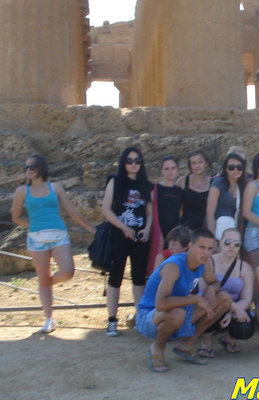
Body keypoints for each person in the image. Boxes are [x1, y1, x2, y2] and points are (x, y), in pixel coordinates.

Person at [11, 154, 95, 333]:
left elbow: (72, 212)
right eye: (26, 167)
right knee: (43, 278)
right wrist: (33, 224)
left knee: (67, 271)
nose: (28, 170)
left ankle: (47, 282)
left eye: (31, 167)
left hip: (58, 234)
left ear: (40, 168)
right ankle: (49, 318)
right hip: (36, 238)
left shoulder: (55, 187)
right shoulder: (22, 191)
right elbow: (16, 217)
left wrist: (93, 229)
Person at [135, 228, 232, 372]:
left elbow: (214, 282)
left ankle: (186, 345)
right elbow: (161, 304)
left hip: (178, 311)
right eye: (201, 247)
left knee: (224, 298)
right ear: (190, 246)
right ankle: (157, 348)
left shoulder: (204, 263)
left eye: (210, 249)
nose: (206, 253)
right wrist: (195, 299)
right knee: (177, 313)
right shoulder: (174, 266)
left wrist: (211, 288)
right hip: (149, 317)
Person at [101, 146, 153, 337]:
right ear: (123, 163)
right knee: (115, 277)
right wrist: (123, 228)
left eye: (137, 160)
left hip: (140, 237)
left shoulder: (146, 185)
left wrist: (147, 230)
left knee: (139, 278)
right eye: (129, 160)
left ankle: (140, 319)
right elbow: (106, 209)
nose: (133, 164)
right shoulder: (115, 182)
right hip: (119, 236)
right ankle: (112, 320)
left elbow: (149, 213)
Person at [198, 227, 255, 357]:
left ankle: (228, 338)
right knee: (209, 308)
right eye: (228, 242)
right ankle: (206, 343)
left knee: (244, 328)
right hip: (211, 304)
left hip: (232, 308)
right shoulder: (209, 262)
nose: (231, 246)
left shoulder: (244, 267)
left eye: (236, 244)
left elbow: (246, 298)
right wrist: (233, 307)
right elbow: (202, 291)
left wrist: (231, 311)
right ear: (220, 242)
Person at [207, 153, 246, 240]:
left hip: (232, 230)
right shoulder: (219, 183)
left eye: (239, 167)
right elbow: (210, 212)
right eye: (231, 167)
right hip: (218, 229)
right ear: (226, 169)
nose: (236, 170)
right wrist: (212, 237)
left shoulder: (241, 186)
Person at [177, 149, 212, 231]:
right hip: (185, 230)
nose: (197, 166)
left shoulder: (213, 183)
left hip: (205, 230)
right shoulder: (182, 181)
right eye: (194, 163)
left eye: (200, 162)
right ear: (190, 166)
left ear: (206, 163)